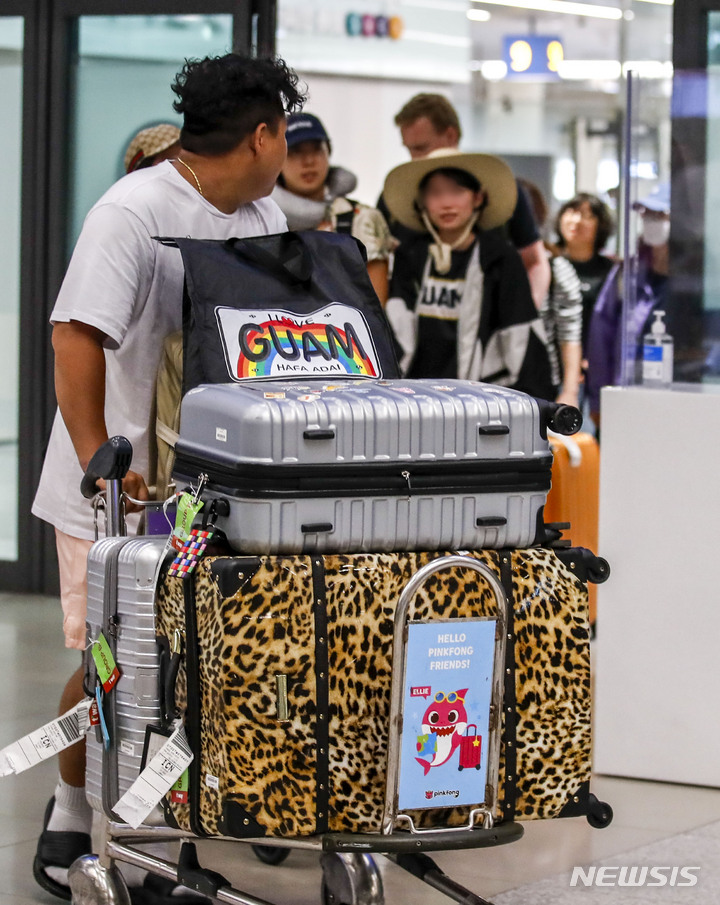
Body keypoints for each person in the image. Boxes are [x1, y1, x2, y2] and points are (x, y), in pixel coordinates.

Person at [30, 53, 304, 903]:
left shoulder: (260, 209)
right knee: (115, 663)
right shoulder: (134, 210)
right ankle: (73, 808)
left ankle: (163, 825)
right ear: (260, 134)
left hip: (211, 479)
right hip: (120, 484)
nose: (286, 147)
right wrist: (97, 462)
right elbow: (74, 334)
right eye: (284, 131)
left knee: (195, 662)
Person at [382, 148, 553, 399]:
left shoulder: (500, 259)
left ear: (478, 198)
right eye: (436, 193)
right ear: (422, 203)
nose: (447, 202)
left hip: (481, 401)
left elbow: (520, 336)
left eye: (457, 191)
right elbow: (396, 329)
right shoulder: (411, 257)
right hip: (415, 399)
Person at [379, 93, 551, 310]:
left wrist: (523, 319)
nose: (414, 157)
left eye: (421, 148)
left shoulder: (505, 193)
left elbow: (535, 261)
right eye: (409, 149)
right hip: (412, 332)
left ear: (451, 135)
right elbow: (380, 266)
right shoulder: (395, 198)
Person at [271, 112, 392, 303]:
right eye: (295, 152)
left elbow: (375, 309)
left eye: (317, 150)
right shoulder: (261, 219)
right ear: (278, 159)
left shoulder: (361, 218)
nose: (309, 161)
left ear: (329, 154)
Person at [553, 192, 620, 424]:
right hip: (556, 369)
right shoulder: (549, 264)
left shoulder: (612, 270)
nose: (576, 221)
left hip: (599, 368)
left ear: (600, 226)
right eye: (571, 212)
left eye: (587, 216)